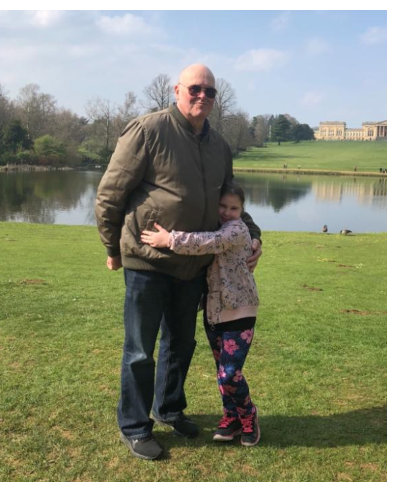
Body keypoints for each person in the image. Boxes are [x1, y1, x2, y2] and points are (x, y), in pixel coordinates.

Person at [95, 63, 262, 460]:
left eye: (210, 91)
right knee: (139, 350)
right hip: (147, 263)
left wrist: (254, 235)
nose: (202, 96)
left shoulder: (219, 145)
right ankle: (135, 426)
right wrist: (112, 248)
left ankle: (169, 409)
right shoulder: (148, 130)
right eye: (195, 89)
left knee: (180, 345)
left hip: (194, 268)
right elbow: (110, 195)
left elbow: (231, 201)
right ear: (176, 90)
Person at [141, 181, 260, 446]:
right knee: (222, 372)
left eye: (234, 208)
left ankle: (249, 415)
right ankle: (231, 416)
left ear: (242, 211)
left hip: (240, 310)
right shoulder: (216, 223)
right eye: (223, 206)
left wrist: (169, 239)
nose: (227, 212)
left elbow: (207, 243)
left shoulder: (235, 230)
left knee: (231, 374)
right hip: (215, 311)